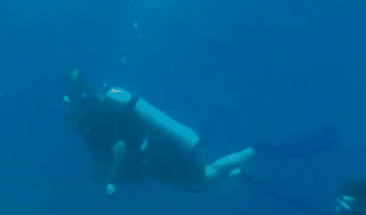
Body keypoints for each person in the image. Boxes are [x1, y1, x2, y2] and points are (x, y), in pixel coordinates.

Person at [63, 72, 260, 193]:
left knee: (201, 179)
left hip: (153, 156)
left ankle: (253, 152)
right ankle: (239, 170)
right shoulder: (101, 107)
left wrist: (110, 178)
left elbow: (119, 148)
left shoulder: (94, 121)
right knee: (194, 183)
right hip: (154, 147)